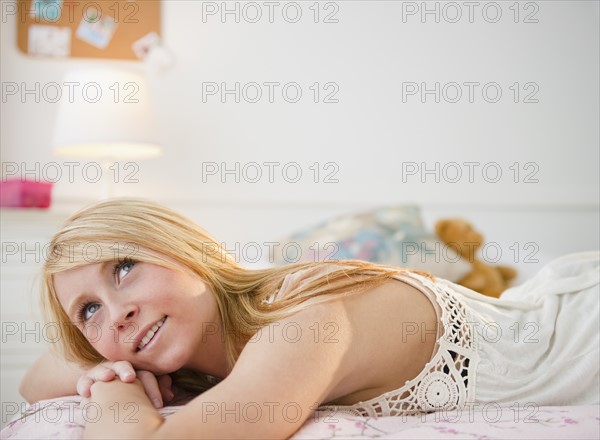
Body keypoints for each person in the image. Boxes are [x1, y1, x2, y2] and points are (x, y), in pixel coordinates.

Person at [20, 198, 599, 439]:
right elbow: (31, 382)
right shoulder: (205, 324)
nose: (116, 313)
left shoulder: (299, 323)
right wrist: (105, 363)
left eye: (124, 267)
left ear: (188, 253)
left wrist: (116, 395)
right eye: (89, 310)